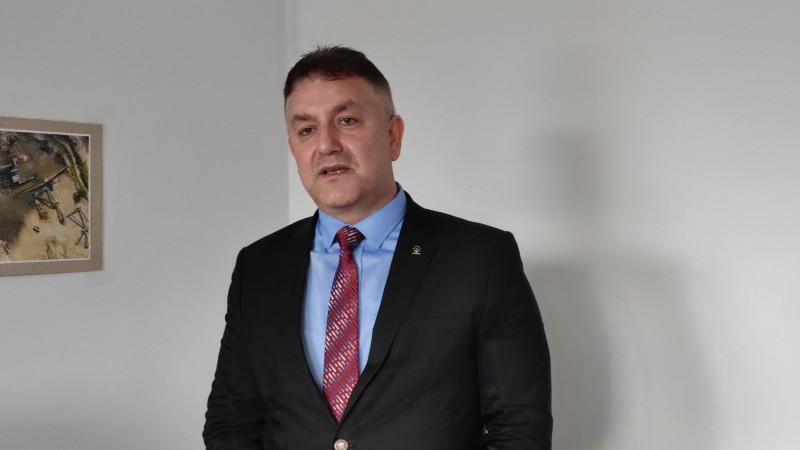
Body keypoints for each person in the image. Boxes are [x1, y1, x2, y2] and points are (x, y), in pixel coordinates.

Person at [204, 45, 552, 450]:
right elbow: (231, 421)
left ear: (393, 136)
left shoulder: (480, 258)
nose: (326, 145)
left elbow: (519, 428)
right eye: (306, 130)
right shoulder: (259, 266)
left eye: (346, 120)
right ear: (294, 148)